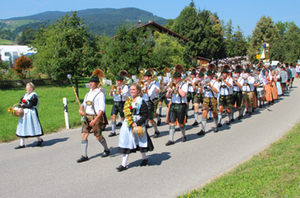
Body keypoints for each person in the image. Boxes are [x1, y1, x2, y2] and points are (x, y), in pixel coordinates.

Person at [117, 83, 154, 172]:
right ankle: (123, 164)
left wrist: (137, 123)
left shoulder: (142, 101)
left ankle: (144, 158)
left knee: (141, 141)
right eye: (131, 90)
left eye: (134, 90)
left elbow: (145, 115)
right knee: (126, 141)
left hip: (137, 123)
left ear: (138, 91)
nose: (132, 91)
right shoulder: (128, 100)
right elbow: (125, 111)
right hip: (127, 124)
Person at [77, 75, 110, 163]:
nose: (90, 83)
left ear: (97, 83)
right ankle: (84, 155)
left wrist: (95, 120)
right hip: (87, 117)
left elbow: (101, 110)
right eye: (90, 82)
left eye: (93, 82)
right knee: (84, 135)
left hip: (96, 117)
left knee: (98, 136)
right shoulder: (87, 94)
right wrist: (81, 109)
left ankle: (106, 149)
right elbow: (84, 104)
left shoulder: (100, 94)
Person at [15, 82, 43, 149]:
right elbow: (20, 102)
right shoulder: (25, 95)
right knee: (22, 126)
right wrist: (19, 108)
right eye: (26, 88)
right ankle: (22, 144)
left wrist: (23, 106)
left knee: (33, 126)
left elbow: (32, 105)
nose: (26, 89)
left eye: (28, 88)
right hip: (24, 113)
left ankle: (40, 139)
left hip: (31, 113)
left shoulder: (34, 95)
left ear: (32, 88)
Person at [165, 64, 188, 146]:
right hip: (173, 104)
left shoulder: (184, 84)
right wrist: (169, 91)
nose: (175, 79)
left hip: (181, 105)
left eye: (176, 78)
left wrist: (177, 88)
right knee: (171, 122)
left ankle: (183, 135)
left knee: (181, 123)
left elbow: (183, 94)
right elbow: (167, 96)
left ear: (180, 78)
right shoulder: (172, 84)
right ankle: (171, 139)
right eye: (174, 78)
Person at [197, 64, 219, 135]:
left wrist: (210, 85)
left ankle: (216, 126)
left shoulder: (215, 82)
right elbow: (200, 92)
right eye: (208, 75)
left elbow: (216, 91)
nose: (208, 76)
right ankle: (202, 129)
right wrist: (201, 86)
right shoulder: (204, 81)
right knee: (204, 112)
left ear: (212, 76)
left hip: (213, 98)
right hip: (206, 98)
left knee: (214, 113)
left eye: (210, 75)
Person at [141, 69, 160, 138]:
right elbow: (140, 94)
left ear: (149, 77)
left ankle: (156, 130)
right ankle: (144, 133)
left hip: (150, 102)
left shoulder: (153, 85)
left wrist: (146, 87)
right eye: (144, 77)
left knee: (150, 119)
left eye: (146, 77)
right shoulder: (142, 83)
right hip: (143, 102)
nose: (144, 78)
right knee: (142, 119)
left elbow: (149, 94)